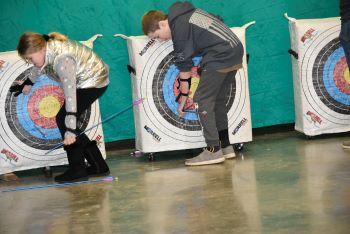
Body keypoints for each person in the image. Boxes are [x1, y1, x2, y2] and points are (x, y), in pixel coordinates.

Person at [142, 1, 244, 166]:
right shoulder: (191, 13)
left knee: (202, 100)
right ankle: (225, 146)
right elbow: (218, 20)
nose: (160, 40)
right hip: (235, 50)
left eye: (157, 36)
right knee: (217, 101)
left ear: (162, 23)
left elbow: (184, 67)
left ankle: (213, 150)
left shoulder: (179, 27)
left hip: (221, 56)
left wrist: (183, 97)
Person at [12, 32, 110, 182]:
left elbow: (70, 95)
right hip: (89, 79)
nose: (30, 62)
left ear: (40, 49)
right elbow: (39, 67)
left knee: (65, 118)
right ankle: (98, 165)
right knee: (65, 120)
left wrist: (70, 131)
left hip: (93, 81)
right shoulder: (46, 49)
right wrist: (28, 83)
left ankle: (78, 170)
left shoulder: (62, 59)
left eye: (30, 58)